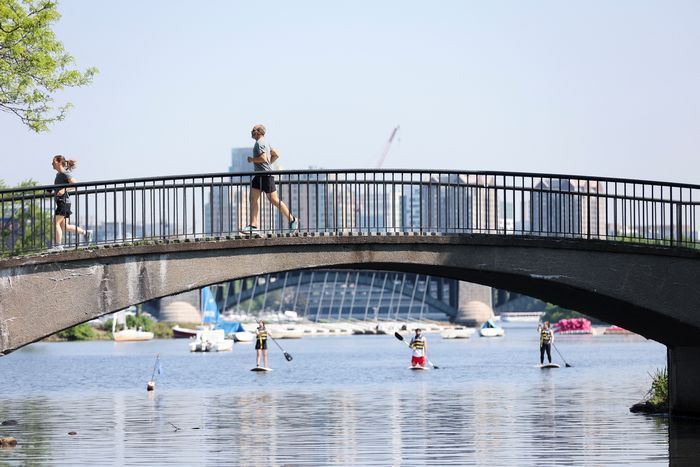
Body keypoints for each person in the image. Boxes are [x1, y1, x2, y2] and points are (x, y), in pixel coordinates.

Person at [240, 124, 298, 235]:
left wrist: (251, 159)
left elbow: (263, 158)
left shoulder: (260, 143)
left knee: (274, 200)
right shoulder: (265, 142)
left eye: (253, 130)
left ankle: (292, 220)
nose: (251, 131)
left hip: (266, 176)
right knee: (253, 199)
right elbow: (276, 154)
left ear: (259, 132)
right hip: (259, 176)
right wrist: (269, 164)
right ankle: (253, 225)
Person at [50, 155, 92, 250]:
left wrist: (64, 190)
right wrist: (51, 190)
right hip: (63, 202)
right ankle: (85, 233)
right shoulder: (59, 174)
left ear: (59, 161)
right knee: (64, 226)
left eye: (53, 161)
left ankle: (58, 246)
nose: (52, 164)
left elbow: (74, 184)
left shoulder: (65, 173)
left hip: (63, 202)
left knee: (55, 222)